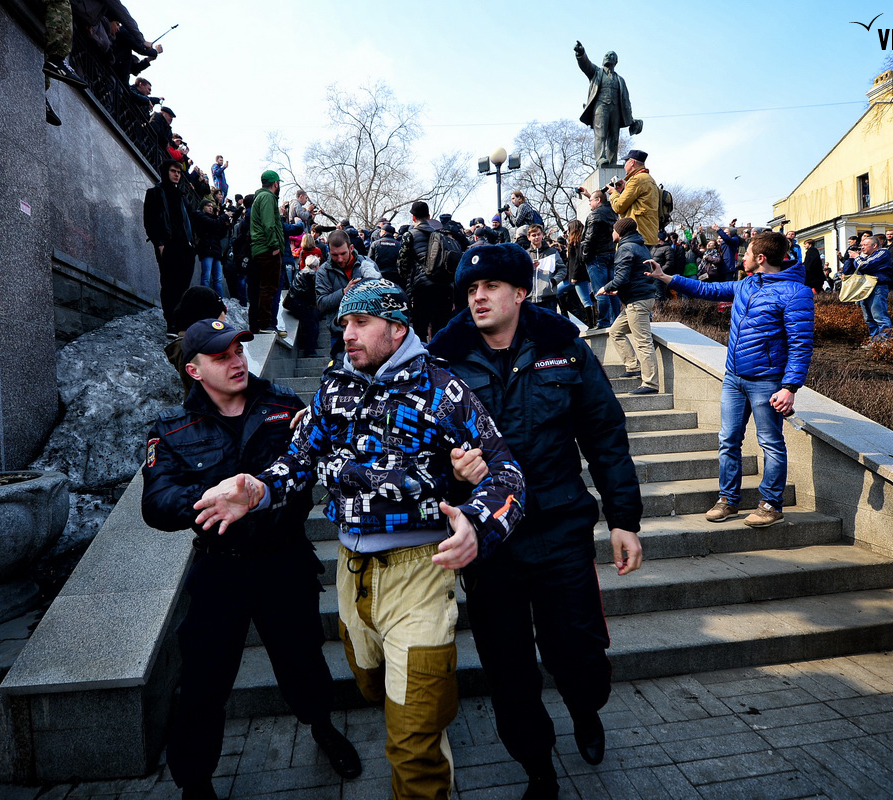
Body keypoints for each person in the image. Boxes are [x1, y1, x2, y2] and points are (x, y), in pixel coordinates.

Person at [192, 280, 525, 800]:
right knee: (372, 682)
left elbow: (507, 474)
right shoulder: (332, 389)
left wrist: (476, 524)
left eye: (361, 322)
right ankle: (421, 703)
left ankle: (423, 725)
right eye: (344, 323)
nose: (347, 333)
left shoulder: (444, 390)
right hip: (351, 574)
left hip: (419, 571)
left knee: (413, 741)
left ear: (397, 328)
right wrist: (258, 488)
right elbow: (299, 459)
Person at [428, 243, 643, 799]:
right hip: (490, 543)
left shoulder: (564, 350)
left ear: (521, 292)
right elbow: (420, 453)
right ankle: (537, 767)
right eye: (471, 289)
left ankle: (585, 710)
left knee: (579, 654)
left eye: (491, 287)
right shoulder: (442, 364)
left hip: (559, 530)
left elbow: (605, 434)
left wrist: (623, 519)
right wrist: (453, 470)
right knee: (509, 670)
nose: (478, 297)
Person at [143, 319, 361, 799]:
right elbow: (155, 503)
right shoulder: (173, 428)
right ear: (194, 370)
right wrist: (212, 499)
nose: (237, 361)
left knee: (303, 659)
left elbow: (312, 466)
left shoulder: (284, 406)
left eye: (239, 351)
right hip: (219, 568)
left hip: (283, 560)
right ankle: (195, 781)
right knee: (203, 681)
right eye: (221, 357)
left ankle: (322, 726)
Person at [644, 230, 813, 528]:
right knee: (728, 440)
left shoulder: (795, 293)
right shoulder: (747, 283)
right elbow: (707, 289)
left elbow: (801, 345)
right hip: (734, 378)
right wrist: (666, 278)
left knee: (770, 443)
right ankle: (728, 499)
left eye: (746, 253)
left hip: (767, 381)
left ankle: (771, 505)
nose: (741, 258)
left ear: (761, 258)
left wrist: (789, 387)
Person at [597, 218, 658, 394]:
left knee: (643, 342)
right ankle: (632, 366)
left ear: (620, 232)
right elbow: (634, 275)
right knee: (615, 331)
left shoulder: (625, 248)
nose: (612, 233)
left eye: (614, 230)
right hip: (638, 298)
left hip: (637, 301)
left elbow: (622, 277)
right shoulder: (639, 245)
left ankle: (650, 383)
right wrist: (618, 290)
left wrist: (606, 288)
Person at [398, 200, 466, 342]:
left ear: (413, 217)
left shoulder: (409, 235)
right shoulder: (442, 235)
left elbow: (402, 265)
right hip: (444, 288)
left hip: (421, 288)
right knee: (440, 330)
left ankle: (422, 355)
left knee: (420, 329)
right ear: (429, 217)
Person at [144, 160, 196, 333]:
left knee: (183, 286)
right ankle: (171, 322)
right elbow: (149, 220)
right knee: (169, 285)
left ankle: (181, 321)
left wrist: (192, 244)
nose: (177, 175)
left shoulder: (181, 196)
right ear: (166, 172)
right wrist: (159, 243)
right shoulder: (155, 193)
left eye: (179, 172)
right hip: (168, 246)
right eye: (173, 171)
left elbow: (190, 220)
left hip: (185, 247)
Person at [315, 230, 381, 356]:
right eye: (335, 255)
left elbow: (381, 295)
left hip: (368, 330)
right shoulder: (323, 271)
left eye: (343, 253)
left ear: (351, 248)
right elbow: (321, 303)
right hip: (340, 333)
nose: (340, 259)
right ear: (329, 251)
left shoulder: (367, 264)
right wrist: (344, 292)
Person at [249, 170, 285, 334]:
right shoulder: (268, 197)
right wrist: (275, 246)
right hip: (268, 249)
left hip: (260, 249)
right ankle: (265, 324)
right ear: (275, 183)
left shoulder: (259, 197)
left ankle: (258, 324)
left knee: (261, 288)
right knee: (269, 287)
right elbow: (269, 224)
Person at [843, 234, 893, 346]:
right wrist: (850, 257)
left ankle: (885, 342)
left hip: (877, 287)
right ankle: (875, 342)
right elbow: (846, 271)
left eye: (865, 245)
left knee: (879, 316)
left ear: (874, 245)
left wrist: (857, 257)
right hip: (864, 289)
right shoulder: (863, 257)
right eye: (861, 245)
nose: (862, 247)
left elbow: (864, 266)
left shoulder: (882, 253)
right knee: (869, 318)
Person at [578, 189, 618, 328]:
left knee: (600, 291)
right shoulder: (613, 213)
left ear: (598, 200)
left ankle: (603, 322)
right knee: (612, 291)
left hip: (596, 257)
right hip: (611, 254)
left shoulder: (594, 215)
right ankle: (616, 321)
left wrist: (584, 256)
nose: (589, 203)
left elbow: (589, 238)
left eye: (591, 200)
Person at [562, 218, 596, 327]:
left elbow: (577, 260)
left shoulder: (578, 243)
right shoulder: (574, 242)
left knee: (585, 299)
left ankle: (591, 323)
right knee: (557, 291)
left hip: (578, 276)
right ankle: (565, 315)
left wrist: (575, 276)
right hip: (572, 276)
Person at [193, 200, 229, 297]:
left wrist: (225, 226)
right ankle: (204, 299)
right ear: (203, 207)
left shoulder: (214, 218)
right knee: (206, 277)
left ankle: (219, 301)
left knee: (218, 279)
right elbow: (213, 224)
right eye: (208, 206)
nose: (211, 208)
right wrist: (224, 216)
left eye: (212, 206)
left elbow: (220, 234)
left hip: (216, 250)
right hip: (206, 249)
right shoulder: (200, 216)